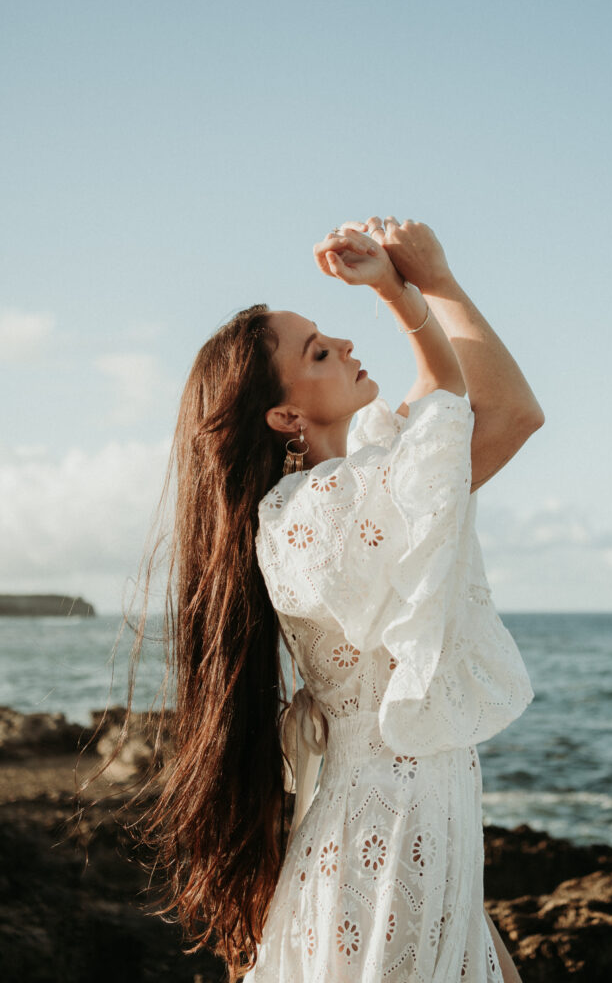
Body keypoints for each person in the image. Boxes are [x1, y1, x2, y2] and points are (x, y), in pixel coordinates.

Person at [111, 217, 543, 982]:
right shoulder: (317, 510)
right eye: (317, 351)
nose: (343, 345)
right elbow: (475, 406)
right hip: (385, 835)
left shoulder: (366, 484)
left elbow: (479, 414)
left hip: (413, 827)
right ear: (285, 417)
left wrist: (416, 289)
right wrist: (414, 289)